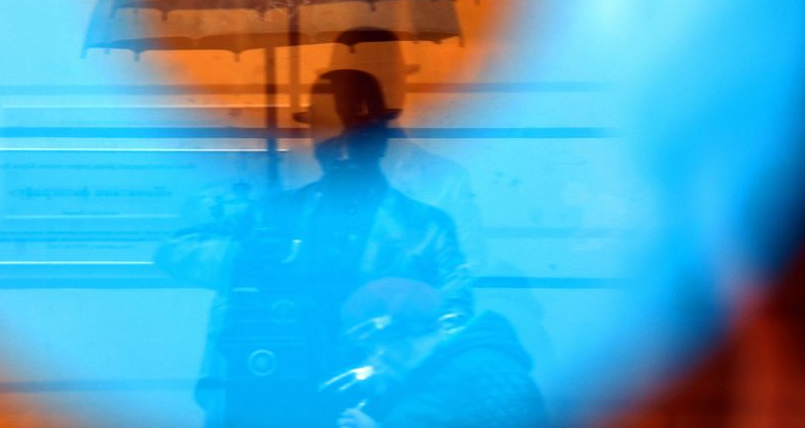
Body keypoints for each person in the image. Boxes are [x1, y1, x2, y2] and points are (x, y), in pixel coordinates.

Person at [157, 69, 473, 427]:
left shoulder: (428, 228)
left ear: (382, 138)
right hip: (279, 396)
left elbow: (455, 322)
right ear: (312, 137)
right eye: (327, 129)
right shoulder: (273, 214)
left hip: (379, 402)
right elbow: (174, 252)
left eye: (357, 129)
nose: (342, 146)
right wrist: (244, 256)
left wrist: (400, 365)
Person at [336, 277, 546, 428]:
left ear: (402, 341)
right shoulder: (474, 358)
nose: (373, 360)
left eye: (375, 349)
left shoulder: (454, 380)